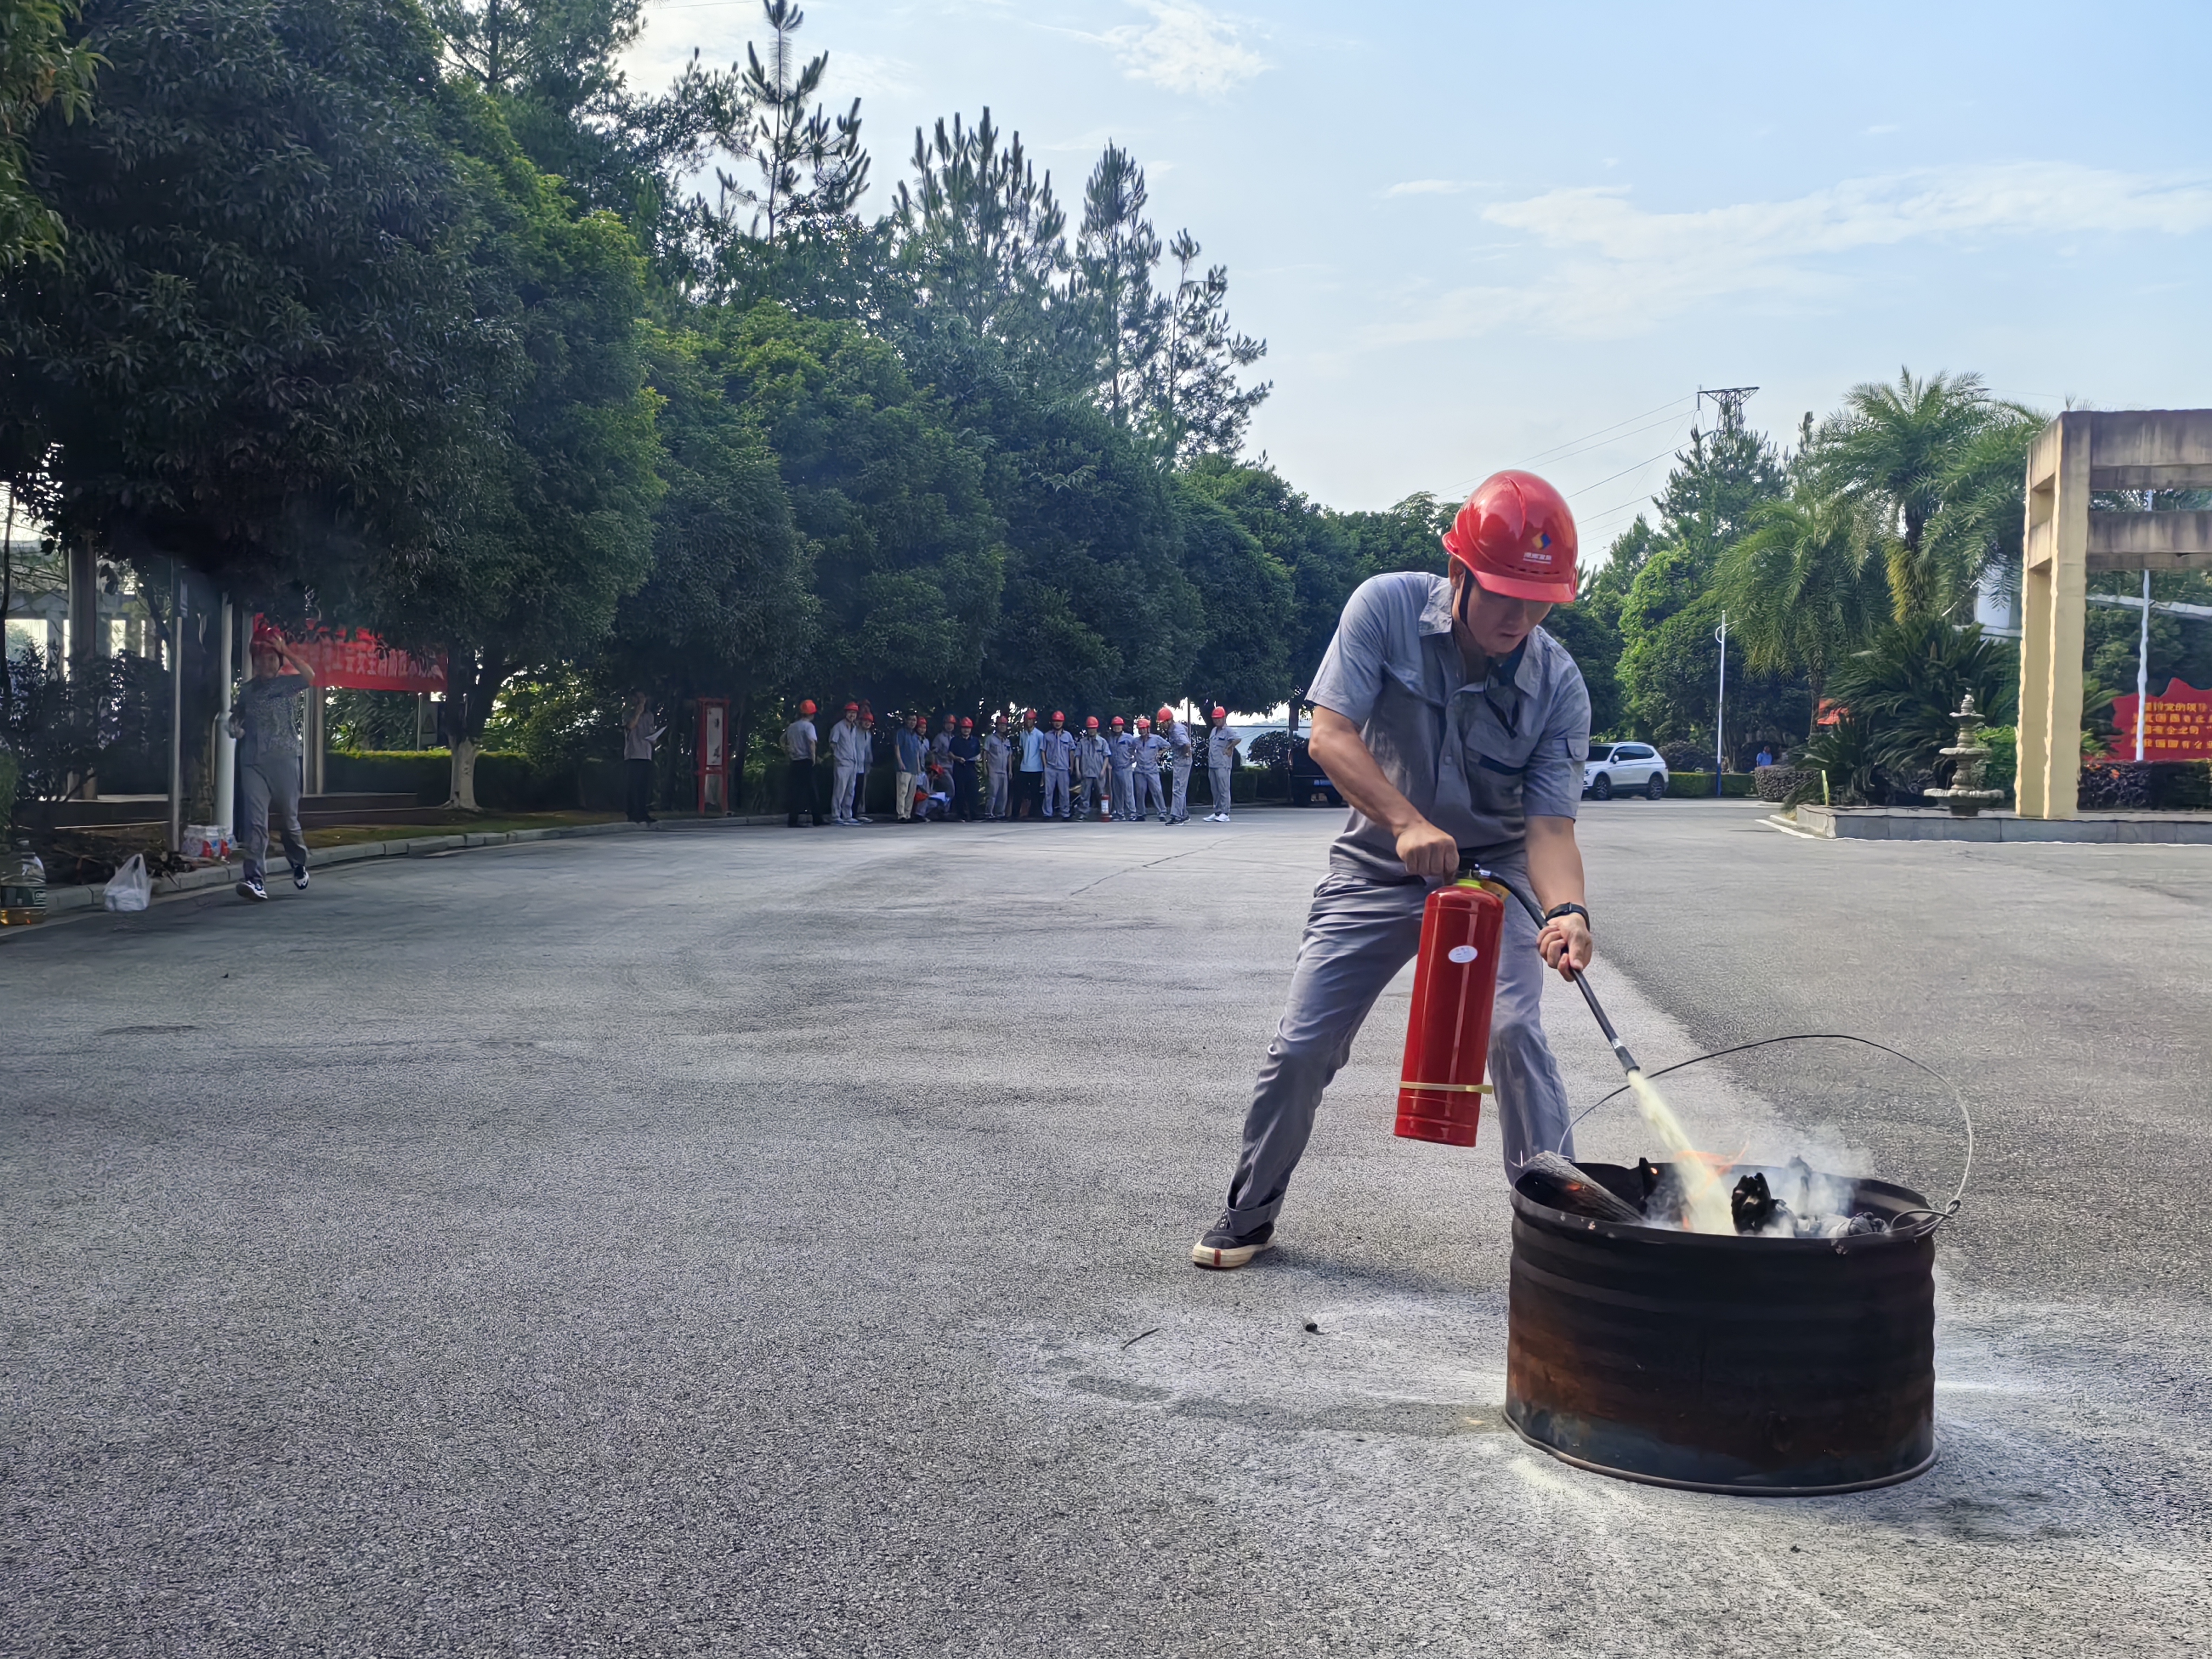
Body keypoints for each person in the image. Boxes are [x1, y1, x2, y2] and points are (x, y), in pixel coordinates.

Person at [1192, 469, 1594, 1270]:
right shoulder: (1382, 607)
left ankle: (1564, 1245)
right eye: (1506, 594)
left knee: (1515, 1033)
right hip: (1379, 865)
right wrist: (1407, 824)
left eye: (1539, 599)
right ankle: (1252, 1210)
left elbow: (1550, 826)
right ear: (1459, 576)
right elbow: (1330, 736)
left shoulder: (1559, 686)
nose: (1522, 617)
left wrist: (1566, 912)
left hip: (1495, 876)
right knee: (1303, 1047)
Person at [228, 626, 318, 902]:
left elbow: (310, 676)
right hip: (253, 762)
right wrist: (234, 727)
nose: (265, 664)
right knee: (256, 824)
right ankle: (255, 880)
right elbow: (237, 718)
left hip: (284, 760)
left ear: (279, 662)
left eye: (271, 659)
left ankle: (298, 862)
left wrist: (287, 651)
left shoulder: (286, 685)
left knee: (289, 822)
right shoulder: (247, 691)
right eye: (260, 659)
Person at [622, 693, 664, 827]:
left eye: (643, 698)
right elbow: (631, 726)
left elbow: (651, 732)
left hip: (646, 754)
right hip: (634, 754)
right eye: (638, 698)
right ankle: (632, 814)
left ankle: (643, 812)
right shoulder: (628, 713)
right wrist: (639, 711)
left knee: (644, 787)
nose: (641, 701)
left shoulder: (650, 716)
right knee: (633, 786)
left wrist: (654, 740)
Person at [785, 699, 822, 827]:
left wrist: (789, 753)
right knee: (812, 791)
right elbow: (811, 742)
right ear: (812, 714)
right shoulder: (809, 727)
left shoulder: (792, 727)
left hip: (795, 761)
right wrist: (814, 758)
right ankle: (817, 819)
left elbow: (782, 740)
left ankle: (793, 820)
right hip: (806, 761)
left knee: (795, 792)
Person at [828, 702, 867, 826]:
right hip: (842, 763)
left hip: (853, 763)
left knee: (850, 790)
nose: (852, 715)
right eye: (850, 712)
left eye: (854, 713)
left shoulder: (854, 728)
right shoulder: (838, 727)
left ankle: (847, 815)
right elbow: (833, 743)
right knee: (840, 790)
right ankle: (835, 816)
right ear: (846, 713)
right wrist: (838, 757)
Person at [1159, 705, 1196, 825]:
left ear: (1169, 720)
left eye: (1163, 723)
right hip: (1181, 761)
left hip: (1182, 762)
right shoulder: (1175, 728)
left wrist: (1186, 754)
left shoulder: (1175, 731)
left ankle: (1177, 817)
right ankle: (1184, 814)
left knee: (1178, 789)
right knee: (1180, 789)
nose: (1161, 725)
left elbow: (1186, 744)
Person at [1204, 705, 1239, 824]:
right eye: (1215, 719)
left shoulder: (1228, 730)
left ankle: (1225, 812)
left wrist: (1230, 748)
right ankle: (1218, 811)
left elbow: (1237, 739)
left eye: (1219, 718)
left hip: (1223, 764)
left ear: (1224, 718)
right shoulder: (1214, 730)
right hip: (1213, 764)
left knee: (1224, 789)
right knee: (1215, 790)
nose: (1217, 721)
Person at [1038, 711, 1076, 820]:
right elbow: (1043, 751)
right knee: (1048, 792)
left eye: (1059, 721)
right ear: (1052, 722)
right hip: (1050, 768)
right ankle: (1047, 813)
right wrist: (1045, 766)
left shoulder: (1068, 736)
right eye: (1055, 721)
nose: (1057, 723)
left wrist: (1072, 766)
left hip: (1064, 769)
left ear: (1063, 722)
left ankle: (1065, 813)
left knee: (1064, 793)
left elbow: (1072, 752)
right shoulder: (1047, 736)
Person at [1130, 715, 1168, 822]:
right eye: (1140, 729)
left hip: (1152, 769)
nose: (1142, 731)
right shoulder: (1136, 741)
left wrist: (1159, 754)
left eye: (1143, 728)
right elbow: (1130, 749)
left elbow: (1167, 745)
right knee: (1140, 792)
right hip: (1140, 770)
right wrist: (1135, 757)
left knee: (1157, 791)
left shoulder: (1156, 739)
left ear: (1148, 728)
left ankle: (1162, 813)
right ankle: (1141, 814)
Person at [895, 712, 929, 824]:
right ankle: (901, 814)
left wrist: (918, 766)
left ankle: (908, 814)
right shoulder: (901, 733)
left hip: (914, 767)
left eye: (914, 720)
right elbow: (897, 747)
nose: (912, 722)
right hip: (904, 767)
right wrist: (900, 762)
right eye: (910, 720)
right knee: (902, 791)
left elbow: (917, 753)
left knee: (911, 793)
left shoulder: (915, 736)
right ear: (906, 720)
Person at [1076, 717, 1111, 819]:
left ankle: (1104, 813)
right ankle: (1083, 813)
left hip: (1099, 772)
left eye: (1093, 728)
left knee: (1102, 793)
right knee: (1085, 794)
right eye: (1090, 728)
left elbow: (1107, 757)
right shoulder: (1082, 742)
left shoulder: (1102, 742)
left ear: (1097, 728)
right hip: (1086, 772)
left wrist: (1103, 771)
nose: (1091, 730)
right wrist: (1078, 770)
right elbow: (1078, 757)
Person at [1015, 709, 1043, 819]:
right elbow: (1022, 750)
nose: (1028, 722)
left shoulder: (1040, 735)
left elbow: (1042, 752)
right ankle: (1015, 814)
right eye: (1027, 720)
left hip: (1036, 767)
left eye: (1031, 720)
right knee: (1019, 792)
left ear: (1034, 721)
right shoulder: (1023, 735)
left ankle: (1035, 814)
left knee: (1035, 793)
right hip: (1024, 767)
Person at [983, 715, 1013, 820]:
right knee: (993, 792)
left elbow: (1009, 756)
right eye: (1000, 725)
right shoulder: (990, 739)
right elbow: (985, 753)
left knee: (1003, 794)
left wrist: (1010, 770)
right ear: (997, 726)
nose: (1002, 727)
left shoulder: (1007, 741)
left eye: (1004, 725)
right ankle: (989, 813)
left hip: (1004, 771)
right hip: (993, 769)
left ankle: (1000, 814)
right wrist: (985, 767)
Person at [1107, 716, 1135, 821]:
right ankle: (1120, 813)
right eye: (1115, 726)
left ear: (1122, 726)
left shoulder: (1129, 738)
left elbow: (1138, 749)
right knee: (1117, 792)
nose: (1117, 728)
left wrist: (1133, 761)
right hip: (1115, 769)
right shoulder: (1111, 739)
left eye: (1119, 726)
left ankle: (1132, 813)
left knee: (1128, 791)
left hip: (1125, 768)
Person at [953, 717, 981, 821]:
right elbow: (950, 754)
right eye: (964, 728)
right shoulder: (955, 740)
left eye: (968, 728)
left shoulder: (975, 741)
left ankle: (974, 814)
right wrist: (957, 758)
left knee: (973, 792)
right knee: (960, 792)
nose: (966, 730)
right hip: (959, 769)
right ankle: (961, 815)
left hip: (971, 769)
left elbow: (979, 754)